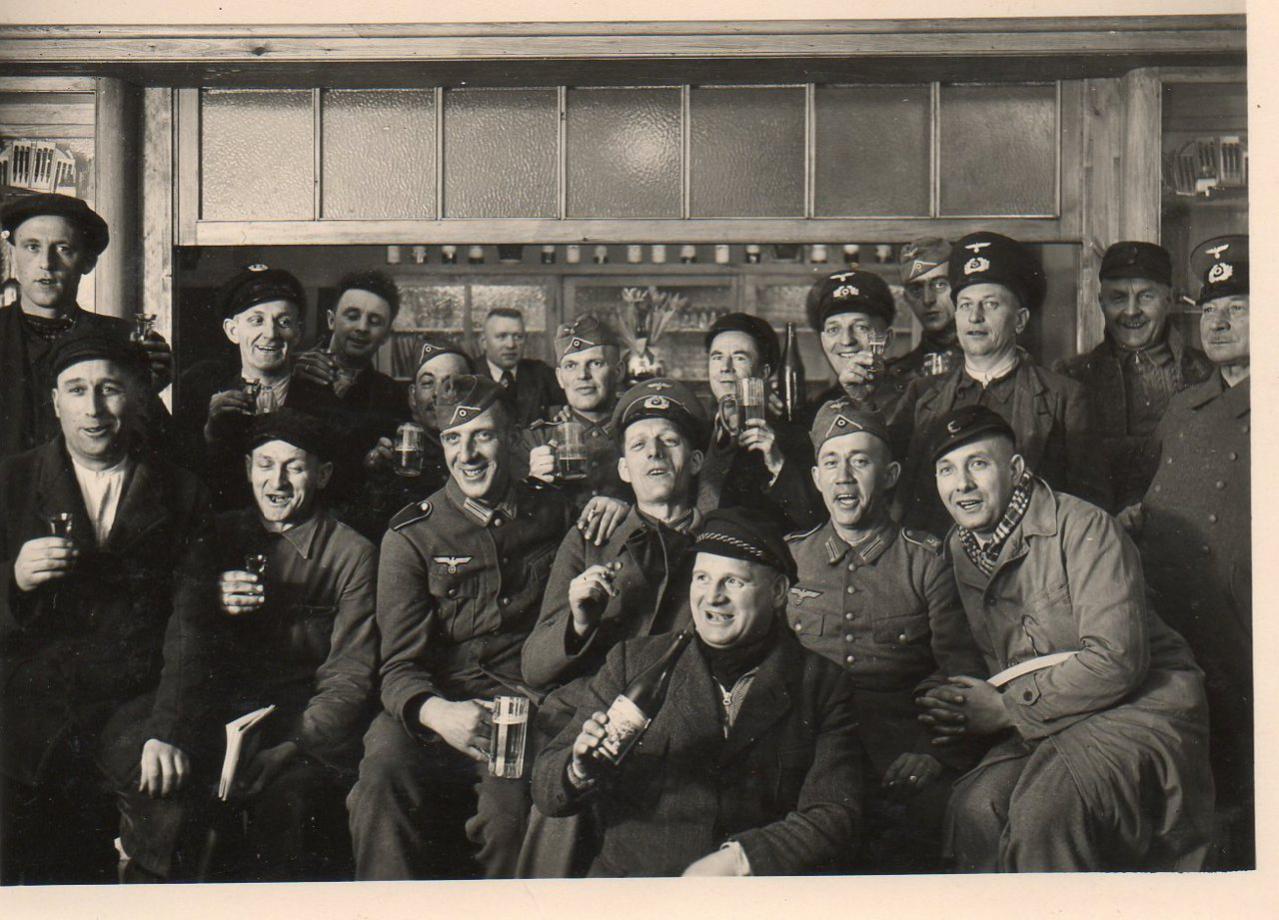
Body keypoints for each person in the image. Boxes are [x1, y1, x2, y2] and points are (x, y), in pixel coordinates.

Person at [916, 405, 1213, 872]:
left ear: (1016, 470)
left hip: (1138, 709)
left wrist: (1007, 709)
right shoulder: (959, 547)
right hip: (1051, 720)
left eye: (978, 464)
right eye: (947, 470)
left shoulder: (1086, 527)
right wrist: (948, 697)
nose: (962, 485)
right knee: (976, 808)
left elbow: (1118, 660)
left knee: (1045, 817)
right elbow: (965, 659)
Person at [531, 507, 863, 877]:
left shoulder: (822, 684)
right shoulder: (632, 661)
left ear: (778, 592)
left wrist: (742, 860)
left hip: (751, 893)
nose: (712, 597)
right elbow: (546, 788)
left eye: (733, 582)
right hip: (636, 889)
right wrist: (577, 770)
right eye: (702, 578)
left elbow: (835, 811)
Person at [0, 332, 218, 883]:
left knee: (168, 801)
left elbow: (190, 625)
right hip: (28, 703)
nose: (93, 409)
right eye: (77, 390)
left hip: (134, 704)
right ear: (55, 402)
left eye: (109, 389)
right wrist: (13, 580)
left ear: (138, 397)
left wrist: (168, 729)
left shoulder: (182, 491)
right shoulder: (10, 483)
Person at [127, 410, 380, 882]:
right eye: (265, 465)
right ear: (247, 469)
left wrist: (292, 745)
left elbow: (349, 678)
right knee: (166, 804)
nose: (276, 482)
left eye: (294, 467)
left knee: (288, 806)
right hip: (213, 718)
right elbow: (172, 635)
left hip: (300, 726)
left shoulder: (353, 555)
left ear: (323, 475)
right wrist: (208, 596)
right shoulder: (214, 537)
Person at [348, 374, 572, 880]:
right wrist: (437, 713)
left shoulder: (555, 514)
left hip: (522, 703)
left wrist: (612, 504)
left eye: (482, 436)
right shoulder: (412, 534)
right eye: (453, 438)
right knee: (381, 773)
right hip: (434, 701)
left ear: (511, 439)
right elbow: (398, 665)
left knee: (510, 816)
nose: (466, 455)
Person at [786, 399, 985, 870]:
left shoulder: (927, 562)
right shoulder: (790, 557)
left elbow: (960, 668)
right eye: (831, 463)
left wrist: (932, 753)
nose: (843, 478)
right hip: (803, 749)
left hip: (897, 755)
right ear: (816, 479)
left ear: (891, 474)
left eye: (860, 461)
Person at [1133, 238, 1252, 868]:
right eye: (1210, 310)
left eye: (1238, 307)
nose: (1219, 322)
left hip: (1249, 635)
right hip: (1181, 634)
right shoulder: (1185, 407)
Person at [893, 232, 1110, 535]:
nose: (975, 317)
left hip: (1033, 560)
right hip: (941, 560)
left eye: (990, 304)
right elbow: (900, 498)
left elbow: (1090, 512)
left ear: (1020, 320)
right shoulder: (922, 396)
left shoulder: (1064, 398)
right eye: (965, 305)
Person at [522, 377, 709, 692]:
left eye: (669, 440)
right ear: (624, 470)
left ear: (695, 461)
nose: (654, 452)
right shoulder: (590, 539)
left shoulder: (718, 545)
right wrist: (578, 624)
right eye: (638, 445)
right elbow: (533, 669)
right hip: (590, 706)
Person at [0, 192, 173, 461]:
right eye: (32, 247)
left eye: (63, 248)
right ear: (14, 255)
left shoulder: (120, 339)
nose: (46, 263)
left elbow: (161, 454)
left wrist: (145, 394)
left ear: (88, 262)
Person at [1054, 241, 1213, 508]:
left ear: (1169, 300)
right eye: (1118, 298)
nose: (1131, 311)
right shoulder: (1069, 379)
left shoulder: (1205, 374)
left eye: (1145, 296)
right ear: (1101, 302)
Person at [176, 263, 307, 510]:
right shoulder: (200, 393)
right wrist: (211, 435)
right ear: (232, 330)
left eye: (284, 322)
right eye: (256, 320)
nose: (271, 333)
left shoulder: (320, 396)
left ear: (298, 333)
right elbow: (184, 481)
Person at [698, 312, 822, 529]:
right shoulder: (696, 433)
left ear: (763, 372)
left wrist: (777, 464)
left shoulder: (792, 438)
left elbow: (812, 519)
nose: (725, 367)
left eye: (739, 357)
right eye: (717, 357)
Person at [288, 270, 410, 492]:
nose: (362, 327)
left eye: (374, 321)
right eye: (352, 316)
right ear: (331, 320)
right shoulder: (292, 376)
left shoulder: (392, 396)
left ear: (386, 335)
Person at [339, 338, 470, 541]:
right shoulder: (394, 456)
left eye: (451, 384)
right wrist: (377, 484)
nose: (437, 394)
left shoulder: (486, 450)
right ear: (412, 396)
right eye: (428, 383)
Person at [523, 314, 630, 517]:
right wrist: (533, 485)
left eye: (595, 363)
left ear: (618, 371)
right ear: (560, 377)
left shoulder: (639, 433)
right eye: (571, 366)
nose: (582, 375)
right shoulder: (535, 440)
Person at [800, 268, 910, 425]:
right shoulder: (817, 411)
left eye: (861, 327)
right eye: (833, 329)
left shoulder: (912, 399)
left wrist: (864, 402)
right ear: (823, 340)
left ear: (887, 339)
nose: (846, 341)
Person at [887, 238, 962, 384]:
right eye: (916, 289)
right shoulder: (899, 375)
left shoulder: (987, 363)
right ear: (907, 299)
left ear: (959, 288)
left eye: (940, 285)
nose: (928, 299)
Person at [476, 307, 564, 427]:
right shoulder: (469, 374)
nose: (511, 345)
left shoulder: (541, 374)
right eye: (502, 336)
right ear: (484, 342)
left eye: (518, 337)